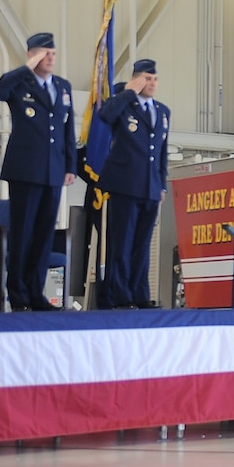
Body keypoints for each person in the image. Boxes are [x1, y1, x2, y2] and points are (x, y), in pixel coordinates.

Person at [0, 33, 75, 313]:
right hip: (25, 170)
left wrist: (70, 166)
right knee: (23, 233)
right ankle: (18, 294)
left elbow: (67, 129)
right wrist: (25, 67)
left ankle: (36, 293)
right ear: (32, 55)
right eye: (44, 54)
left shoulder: (62, 86)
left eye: (53, 54)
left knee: (44, 233)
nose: (50, 58)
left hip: (53, 170)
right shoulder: (19, 83)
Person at [92, 59, 170, 310]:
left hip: (150, 186)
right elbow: (105, 114)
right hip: (125, 184)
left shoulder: (162, 111)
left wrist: (162, 184)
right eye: (147, 79)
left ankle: (140, 294)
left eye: (155, 79)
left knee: (142, 244)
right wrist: (129, 90)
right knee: (122, 244)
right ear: (136, 80)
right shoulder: (124, 104)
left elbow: (161, 152)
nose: (153, 83)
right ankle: (121, 296)